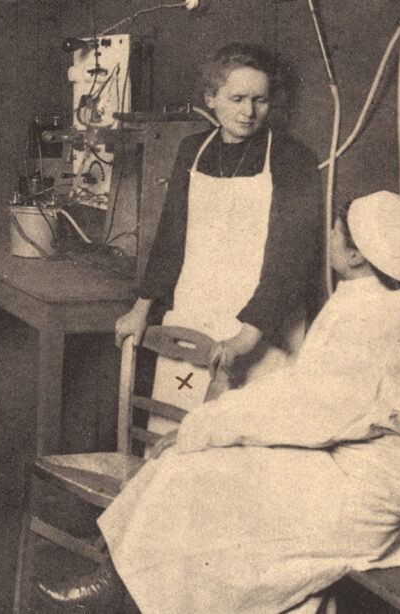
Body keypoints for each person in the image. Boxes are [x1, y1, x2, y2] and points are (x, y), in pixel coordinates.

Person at [39, 191, 400, 614]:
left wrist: (201, 428)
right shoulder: (372, 302)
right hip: (343, 463)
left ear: (358, 255)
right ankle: (116, 586)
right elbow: (301, 389)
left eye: (336, 231)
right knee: (190, 469)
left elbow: (301, 408)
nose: (330, 236)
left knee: (205, 485)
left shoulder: (375, 323)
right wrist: (205, 427)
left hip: (364, 494)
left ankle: (118, 593)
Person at [115, 43, 323, 426]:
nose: (249, 112)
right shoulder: (193, 150)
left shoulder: (292, 159)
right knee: (176, 436)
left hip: (263, 325)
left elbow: (290, 259)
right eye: (237, 98)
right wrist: (140, 310)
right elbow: (170, 237)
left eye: (260, 100)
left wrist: (245, 338)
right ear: (211, 98)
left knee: (242, 448)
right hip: (195, 312)